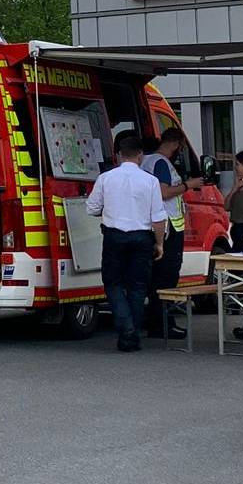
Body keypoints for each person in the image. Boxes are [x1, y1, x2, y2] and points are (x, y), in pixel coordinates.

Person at [87, 134, 164, 352]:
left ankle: (127, 330)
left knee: (113, 283)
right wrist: (159, 244)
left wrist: (109, 210)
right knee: (138, 286)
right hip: (142, 237)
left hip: (114, 236)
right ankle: (131, 334)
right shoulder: (150, 181)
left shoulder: (106, 178)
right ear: (140, 155)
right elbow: (158, 217)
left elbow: (91, 208)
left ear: (119, 155)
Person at [139, 127, 205, 337]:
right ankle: (163, 325)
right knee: (166, 278)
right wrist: (189, 185)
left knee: (154, 278)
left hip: (154, 225)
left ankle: (155, 321)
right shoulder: (161, 163)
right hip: (168, 227)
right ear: (176, 144)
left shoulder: (146, 161)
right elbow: (164, 192)